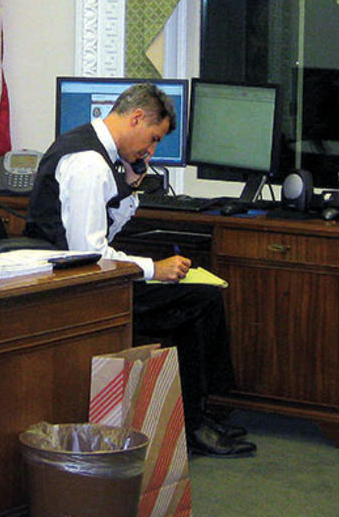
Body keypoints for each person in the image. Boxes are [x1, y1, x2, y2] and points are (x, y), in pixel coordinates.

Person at [24, 82, 256, 457]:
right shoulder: (88, 163)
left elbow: (98, 236)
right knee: (199, 299)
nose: (151, 149)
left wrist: (129, 185)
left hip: (80, 276)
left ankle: (198, 416)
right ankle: (197, 422)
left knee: (196, 298)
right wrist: (154, 269)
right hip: (72, 287)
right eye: (153, 138)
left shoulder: (98, 154)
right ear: (135, 118)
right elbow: (91, 256)